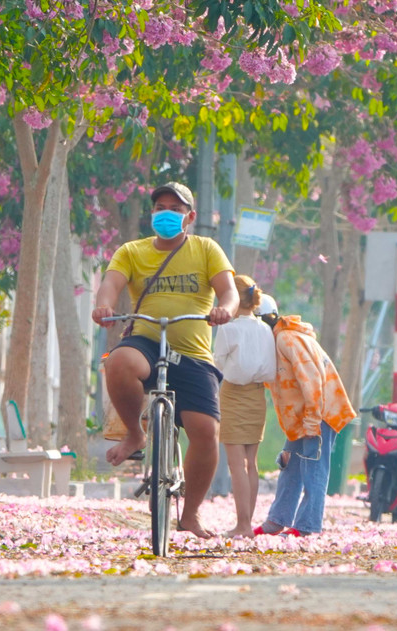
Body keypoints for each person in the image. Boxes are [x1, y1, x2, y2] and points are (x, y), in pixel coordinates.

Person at [91, 181, 238, 538]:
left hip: (192, 354)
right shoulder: (132, 251)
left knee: (206, 432)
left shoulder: (206, 249)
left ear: (189, 216)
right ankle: (134, 434)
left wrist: (226, 310)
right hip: (146, 341)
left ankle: (189, 515)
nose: (166, 213)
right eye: (160, 208)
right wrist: (104, 305)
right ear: (151, 214)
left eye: (175, 208)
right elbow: (110, 284)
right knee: (119, 362)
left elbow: (228, 291)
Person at [256, 298, 356, 537]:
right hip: (304, 418)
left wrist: (312, 420)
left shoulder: (287, 338)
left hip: (319, 413)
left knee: (313, 469)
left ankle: (307, 526)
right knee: (290, 467)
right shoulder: (278, 341)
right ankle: (277, 520)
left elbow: (311, 379)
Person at [212, 277, 277, 538]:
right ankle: (246, 523)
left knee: (236, 465)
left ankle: (243, 525)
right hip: (258, 395)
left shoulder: (228, 329)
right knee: (251, 463)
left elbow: (217, 363)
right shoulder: (265, 329)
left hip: (233, 394)